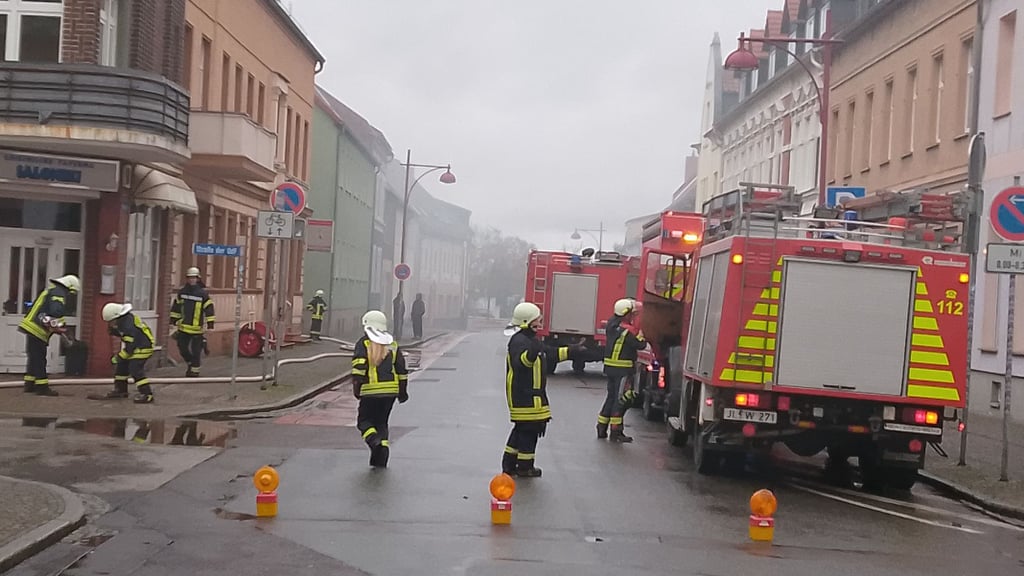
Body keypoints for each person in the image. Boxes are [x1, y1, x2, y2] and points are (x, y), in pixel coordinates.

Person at [502, 302, 584, 477]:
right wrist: (532, 351)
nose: (540, 322)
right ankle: (524, 467)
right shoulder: (519, 341)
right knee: (529, 431)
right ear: (527, 321)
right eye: (537, 320)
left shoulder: (531, 340)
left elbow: (550, 353)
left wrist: (572, 351)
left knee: (522, 429)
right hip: (524, 396)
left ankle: (509, 464)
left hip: (532, 396)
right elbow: (522, 363)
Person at [351, 310, 409, 468]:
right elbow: (402, 371)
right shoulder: (393, 345)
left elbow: (358, 368)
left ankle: (374, 441)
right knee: (381, 423)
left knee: (364, 422)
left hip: (370, 391)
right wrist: (402, 393)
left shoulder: (364, 343)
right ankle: (381, 453)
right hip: (390, 392)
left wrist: (357, 388)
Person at [18, 275, 80, 397]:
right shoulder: (58, 292)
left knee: (34, 358)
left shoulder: (51, 290)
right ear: (68, 287)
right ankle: (42, 387)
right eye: (71, 292)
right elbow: (55, 311)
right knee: (40, 359)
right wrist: (58, 326)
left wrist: (59, 327)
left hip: (31, 327)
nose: (70, 295)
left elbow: (46, 312)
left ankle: (29, 385)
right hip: (37, 329)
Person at [597, 298, 647, 442]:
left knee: (611, 397)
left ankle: (601, 427)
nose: (633, 316)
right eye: (631, 314)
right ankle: (616, 431)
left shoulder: (612, 325)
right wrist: (642, 334)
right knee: (621, 400)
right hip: (623, 370)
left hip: (611, 368)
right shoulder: (627, 330)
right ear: (625, 314)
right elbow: (641, 345)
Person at [99, 302, 156, 404]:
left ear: (116, 317)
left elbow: (130, 346)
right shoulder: (125, 320)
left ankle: (147, 394)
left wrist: (118, 357)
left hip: (143, 347)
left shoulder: (127, 325)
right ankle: (121, 390)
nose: (110, 324)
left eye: (111, 321)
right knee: (122, 367)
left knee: (135, 369)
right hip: (137, 345)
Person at [170, 267, 215, 377]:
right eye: (189, 278)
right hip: (183, 327)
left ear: (198, 279)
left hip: (197, 329)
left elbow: (209, 309)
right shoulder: (182, 292)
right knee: (183, 349)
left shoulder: (202, 294)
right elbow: (176, 307)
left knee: (196, 352)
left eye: (193, 278)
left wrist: (210, 326)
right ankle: (190, 363)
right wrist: (173, 321)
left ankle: (194, 372)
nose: (191, 280)